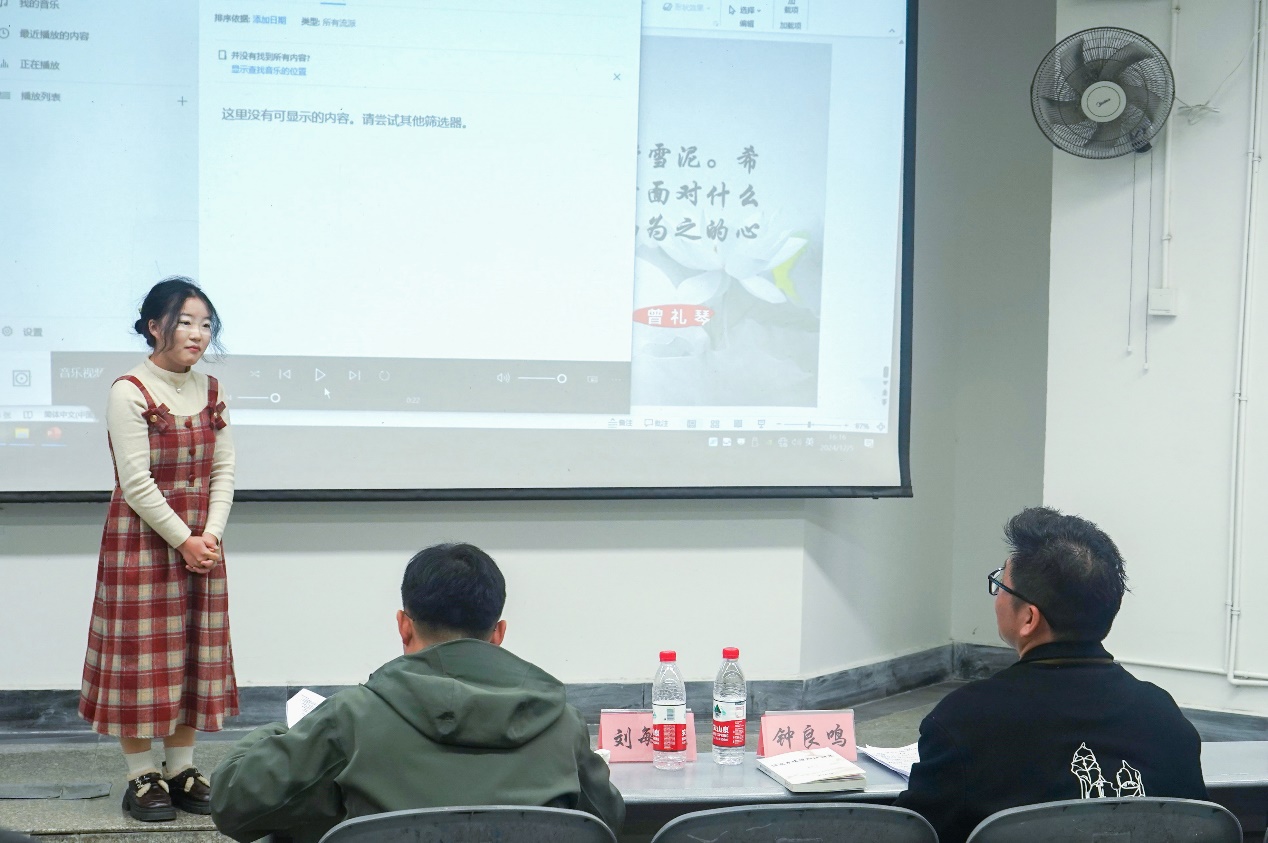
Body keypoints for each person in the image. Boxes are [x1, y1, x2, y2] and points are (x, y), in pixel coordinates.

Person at [209, 542, 625, 843]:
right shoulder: (562, 723)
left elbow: (233, 805)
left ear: (404, 626)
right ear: (498, 634)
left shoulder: (352, 717)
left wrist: (275, 733)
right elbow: (605, 822)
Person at [894, 506, 1207, 843]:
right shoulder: (1162, 715)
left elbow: (911, 833)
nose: (997, 597)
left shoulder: (964, 720)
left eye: (1001, 585)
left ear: (1029, 618)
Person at [78, 277, 237, 822]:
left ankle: (182, 767)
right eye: (185, 322)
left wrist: (211, 535)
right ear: (154, 327)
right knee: (139, 659)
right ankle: (141, 774)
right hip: (143, 543)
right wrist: (185, 539)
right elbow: (136, 483)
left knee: (192, 652)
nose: (197, 334)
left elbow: (223, 470)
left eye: (205, 324)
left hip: (201, 543)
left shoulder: (211, 390)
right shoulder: (129, 390)